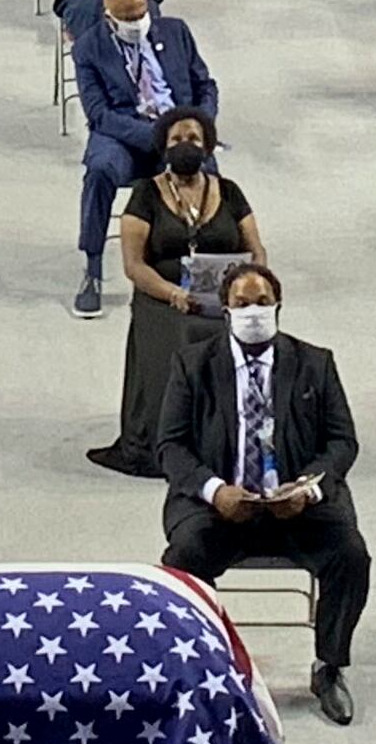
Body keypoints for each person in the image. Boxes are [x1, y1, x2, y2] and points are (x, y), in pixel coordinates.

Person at [155, 265, 365, 726]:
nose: (254, 312)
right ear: (225, 310)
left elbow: (342, 442)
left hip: (296, 508)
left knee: (350, 555)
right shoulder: (192, 365)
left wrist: (307, 490)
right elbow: (169, 446)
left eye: (263, 302)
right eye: (243, 303)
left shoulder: (316, 363)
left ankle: (329, 667)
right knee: (183, 559)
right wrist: (215, 491)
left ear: (279, 306)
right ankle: (197, 668)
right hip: (222, 509)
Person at [91, 105, 261, 477]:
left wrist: (251, 290)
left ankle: (226, 442)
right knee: (180, 336)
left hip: (221, 299)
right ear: (165, 147)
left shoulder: (230, 192)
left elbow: (256, 247)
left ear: (208, 147)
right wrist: (172, 293)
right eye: (177, 140)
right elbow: (134, 264)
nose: (186, 145)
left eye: (194, 139)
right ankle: (164, 443)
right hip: (162, 296)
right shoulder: (145, 196)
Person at [72, 0, 217, 317]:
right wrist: (156, 137)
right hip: (124, 135)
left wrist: (200, 128)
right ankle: (92, 270)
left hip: (178, 126)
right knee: (99, 171)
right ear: (110, 18)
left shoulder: (176, 32)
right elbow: (99, 115)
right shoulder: (89, 48)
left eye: (142, 14)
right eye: (129, 18)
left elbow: (205, 85)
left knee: (207, 172)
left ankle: (209, 273)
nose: (138, 22)